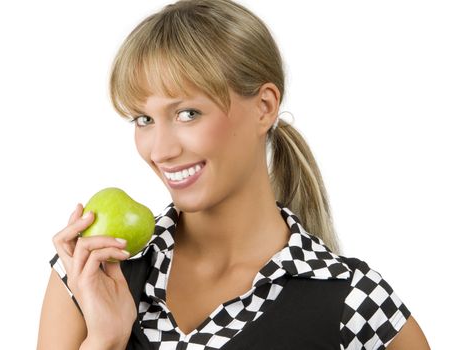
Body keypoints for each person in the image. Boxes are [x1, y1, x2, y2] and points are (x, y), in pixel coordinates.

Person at [37, 0, 431, 349]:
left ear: (264, 107)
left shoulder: (355, 303)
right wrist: (105, 340)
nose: (160, 150)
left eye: (187, 113)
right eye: (143, 119)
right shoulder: (91, 274)